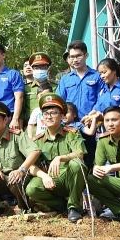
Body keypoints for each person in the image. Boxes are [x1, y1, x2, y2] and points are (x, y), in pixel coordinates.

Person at [0, 100, 42, 218]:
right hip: (2, 179)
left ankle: (24, 206)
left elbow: (35, 151)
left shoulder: (17, 136)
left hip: (20, 178)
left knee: (15, 178)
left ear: (5, 120)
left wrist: (21, 169)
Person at [25, 93, 87, 222]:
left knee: (77, 164)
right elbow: (31, 166)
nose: (49, 116)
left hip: (69, 178)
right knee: (32, 189)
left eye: (53, 113)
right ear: (42, 118)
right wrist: (44, 176)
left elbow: (79, 153)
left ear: (62, 116)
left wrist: (60, 158)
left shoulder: (72, 133)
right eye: (46, 114)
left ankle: (74, 207)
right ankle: (61, 205)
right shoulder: (38, 140)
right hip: (51, 181)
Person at [57, 41, 105, 167]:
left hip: (89, 125)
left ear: (86, 55)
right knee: (72, 159)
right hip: (69, 127)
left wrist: (92, 115)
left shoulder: (97, 76)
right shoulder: (65, 79)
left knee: (91, 159)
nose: (75, 60)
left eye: (78, 56)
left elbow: (102, 98)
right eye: (72, 57)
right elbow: (60, 101)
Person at [85, 57, 120, 126]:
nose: (102, 76)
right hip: (104, 130)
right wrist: (88, 117)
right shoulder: (102, 91)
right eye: (100, 74)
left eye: (104, 72)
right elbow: (96, 109)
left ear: (114, 71)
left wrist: (101, 116)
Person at [23, 53, 54, 127]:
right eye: (36, 68)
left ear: (47, 69)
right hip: (31, 127)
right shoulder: (26, 88)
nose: (39, 70)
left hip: (50, 126)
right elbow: (22, 111)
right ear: (32, 70)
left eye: (42, 67)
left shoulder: (55, 87)